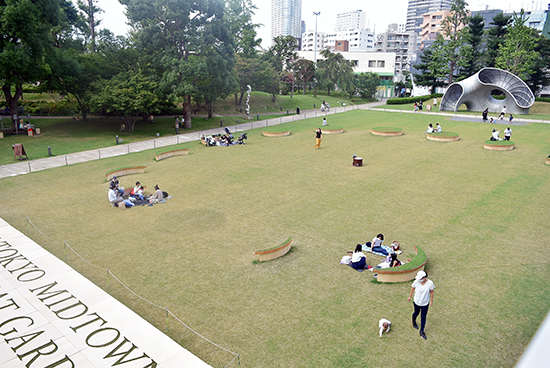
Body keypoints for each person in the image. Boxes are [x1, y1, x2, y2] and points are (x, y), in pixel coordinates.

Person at [408, 270, 435, 340]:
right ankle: (413, 321)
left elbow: (432, 292)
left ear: (424, 277)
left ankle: (422, 331)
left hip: (425, 303)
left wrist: (431, 301)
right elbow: (413, 288)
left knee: (423, 316)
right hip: (417, 302)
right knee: (416, 313)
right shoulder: (416, 282)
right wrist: (410, 296)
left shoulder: (430, 283)